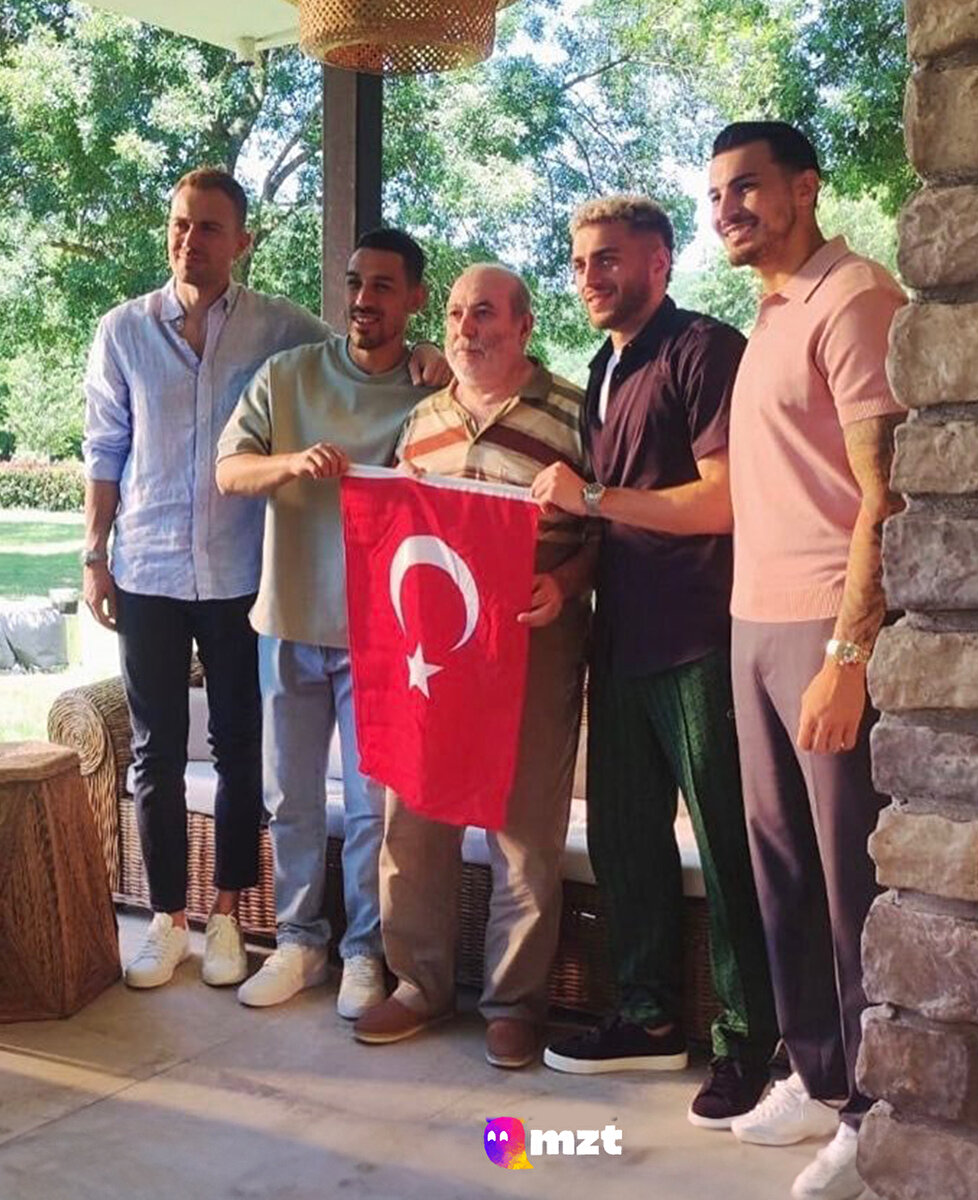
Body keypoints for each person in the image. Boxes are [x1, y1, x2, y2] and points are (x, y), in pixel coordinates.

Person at [531, 197, 779, 1128]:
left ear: (660, 262)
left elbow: (721, 501)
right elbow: (605, 515)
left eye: (608, 259)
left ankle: (751, 1044)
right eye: (579, 263)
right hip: (620, 637)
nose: (590, 277)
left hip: (700, 640)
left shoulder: (704, 350)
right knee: (625, 840)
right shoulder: (602, 369)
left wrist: (592, 496)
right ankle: (647, 1019)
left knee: (727, 847)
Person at [708, 120, 906, 1200]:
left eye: (747, 187)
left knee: (846, 879)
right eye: (715, 195)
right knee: (781, 869)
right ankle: (819, 1073)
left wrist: (848, 653)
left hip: (823, 626)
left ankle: (874, 1112)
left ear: (806, 188)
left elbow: (885, 493)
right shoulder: (773, 313)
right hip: (753, 623)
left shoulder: (855, 297)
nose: (728, 209)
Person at [82, 168, 331, 991]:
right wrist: (94, 554)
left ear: (243, 242)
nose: (191, 241)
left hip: (241, 574)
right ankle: (167, 920)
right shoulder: (122, 331)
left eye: (210, 228)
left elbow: (353, 361)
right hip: (147, 570)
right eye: (181, 224)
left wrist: (426, 357)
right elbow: (105, 451)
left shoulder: (281, 328)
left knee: (239, 748)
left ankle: (227, 914)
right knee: (153, 752)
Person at [353, 264, 594, 1070]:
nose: (466, 328)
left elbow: (610, 531)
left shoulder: (575, 415)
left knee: (524, 827)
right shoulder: (420, 420)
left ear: (524, 325)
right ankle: (418, 983)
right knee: (414, 811)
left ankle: (514, 1003)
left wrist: (566, 583)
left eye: (485, 313)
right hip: (434, 651)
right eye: (456, 313)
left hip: (534, 638)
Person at [215, 228, 447, 1018]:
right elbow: (229, 470)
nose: (362, 299)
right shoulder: (288, 376)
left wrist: (442, 365)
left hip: (384, 640)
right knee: (292, 798)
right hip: (287, 618)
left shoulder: (430, 394)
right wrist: (290, 462)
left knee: (374, 809)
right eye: (354, 283)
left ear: (415, 298)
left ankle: (364, 953)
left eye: (383, 285)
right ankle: (299, 942)